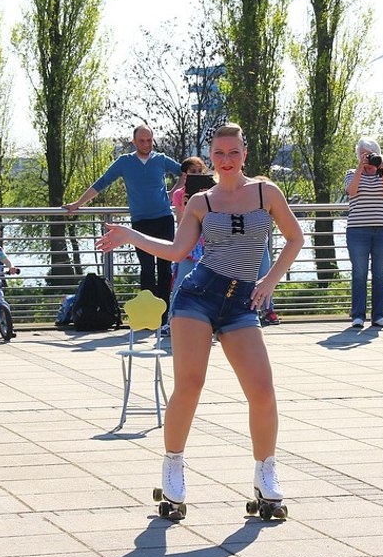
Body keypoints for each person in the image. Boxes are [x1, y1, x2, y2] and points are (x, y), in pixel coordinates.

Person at [97, 123, 305, 515]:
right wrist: (130, 234)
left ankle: (266, 473)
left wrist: (269, 281)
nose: (226, 161)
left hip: (242, 303)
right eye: (219, 154)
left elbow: (295, 237)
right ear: (211, 157)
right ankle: (173, 467)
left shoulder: (266, 193)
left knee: (262, 390)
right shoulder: (201, 202)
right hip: (197, 298)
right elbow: (177, 251)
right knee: (190, 385)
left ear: (244, 154)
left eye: (234, 152)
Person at [62, 125, 182, 315]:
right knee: (147, 269)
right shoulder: (124, 162)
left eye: (149, 140)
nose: (146, 144)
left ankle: (165, 316)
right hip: (141, 223)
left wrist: (173, 193)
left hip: (164, 219)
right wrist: (78, 203)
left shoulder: (161, 159)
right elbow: (102, 182)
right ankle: (148, 315)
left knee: (165, 269)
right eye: (142, 140)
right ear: (134, 142)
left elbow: (185, 171)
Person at [344, 137, 383, 329]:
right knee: (359, 273)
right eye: (363, 154)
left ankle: (379, 316)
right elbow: (351, 191)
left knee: (380, 273)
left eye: (370, 154)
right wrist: (360, 168)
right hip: (358, 230)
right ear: (358, 156)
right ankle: (358, 316)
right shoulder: (351, 173)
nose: (367, 158)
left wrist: (381, 170)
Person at [170, 156, 208, 298]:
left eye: (200, 171)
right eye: (193, 171)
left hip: (209, 242)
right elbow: (180, 223)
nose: (197, 174)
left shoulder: (210, 193)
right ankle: (173, 317)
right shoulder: (179, 194)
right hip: (189, 244)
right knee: (182, 281)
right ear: (185, 175)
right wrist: (185, 205)